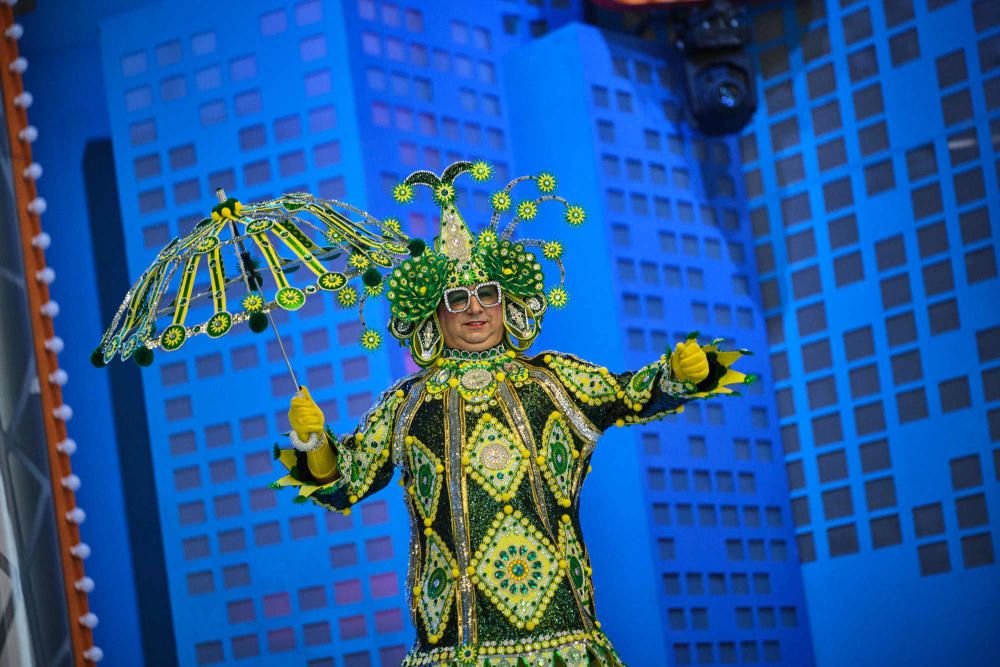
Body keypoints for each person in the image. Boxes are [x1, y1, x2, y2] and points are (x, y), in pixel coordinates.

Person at [272, 162, 752, 667]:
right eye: (457, 299)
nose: (475, 309)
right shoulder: (406, 404)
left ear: (509, 303)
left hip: (564, 638)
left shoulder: (554, 380)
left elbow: (632, 392)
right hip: (454, 644)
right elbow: (347, 479)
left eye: (488, 295)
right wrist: (314, 441)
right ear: (435, 314)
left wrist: (681, 372)